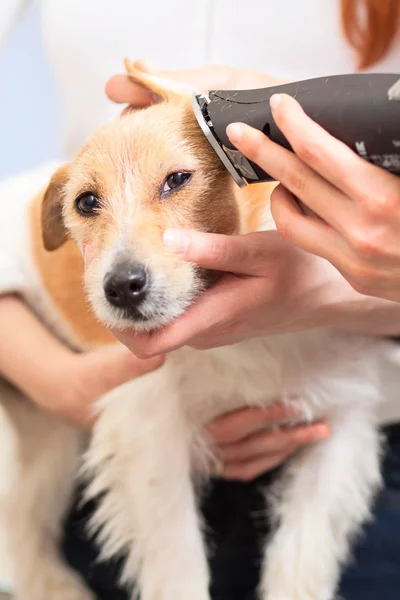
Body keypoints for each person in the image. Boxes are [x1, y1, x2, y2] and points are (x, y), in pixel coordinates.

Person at [0, 0, 399, 598]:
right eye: (86, 205)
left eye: (177, 182)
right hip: (115, 466)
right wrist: (49, 375)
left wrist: (354, 288)